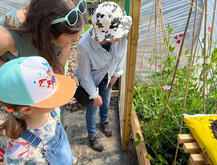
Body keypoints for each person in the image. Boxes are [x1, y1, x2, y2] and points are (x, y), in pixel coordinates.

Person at [75, 2, 132, 152]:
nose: (119, 37)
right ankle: (92, 135)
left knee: (106, 102)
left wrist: (116, 74)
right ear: (105, 35)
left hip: (108, 77)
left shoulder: (122, 36)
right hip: (91, 81)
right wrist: (94, 95)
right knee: (93, 108)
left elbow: (121, 56)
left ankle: (104, 121)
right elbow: (85, 76)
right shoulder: (84, 45)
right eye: (115, 35)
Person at [0, 56, 77, 164]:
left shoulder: (52, 111)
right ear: (27, 110)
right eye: (52, 98)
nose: (59, 101)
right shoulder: (17, 150)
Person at [0, 0, 87, 74]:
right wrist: (20, 74)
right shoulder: (6, 38)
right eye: (72, 36)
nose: (77, 39)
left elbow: (57, 73)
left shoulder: (63, 23)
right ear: (48, 29)